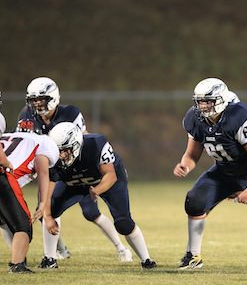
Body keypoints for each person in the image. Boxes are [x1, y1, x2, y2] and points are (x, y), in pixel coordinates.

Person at [173, 77, 247, 270]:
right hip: (225, 169)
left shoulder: (238, 116)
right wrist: (185, 165)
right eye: (200, 101)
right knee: (195, 200)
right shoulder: (194, 119)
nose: (202, 106)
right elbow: (192, 154)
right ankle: (193, 256)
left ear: (221, 100)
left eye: (208, 101)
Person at [16, 76, 132, 265]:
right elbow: (22, 143)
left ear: (52, 97)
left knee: (90, 212)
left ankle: (122, 248)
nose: (37, 104)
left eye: (41, 99)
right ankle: (56, 253)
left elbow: (82, 142)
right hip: (52, 171)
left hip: (74, 168)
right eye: (34, 99)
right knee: (46, 210)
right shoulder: (26, 116)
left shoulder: (70, 113)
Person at [44, 122, 156, 270]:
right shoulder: (53, 157)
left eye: (65, 150)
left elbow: (110, 175)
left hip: (105, 180)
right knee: (49, 212)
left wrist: (97, 190)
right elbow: (46, 190)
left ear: (76, 144)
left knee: (123, 223)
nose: (61, 155)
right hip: (73, 182)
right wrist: (47, 216)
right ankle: (49, 259)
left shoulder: (95, 145)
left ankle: (146, 260)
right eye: (58, 151)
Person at [0, 117, 59, 273]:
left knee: (6, 220)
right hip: (4, 177)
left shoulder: (6, 135)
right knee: (23, 226)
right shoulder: (42, 141)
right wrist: (42, 203)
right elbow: (43, 172)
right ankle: (17, 265)